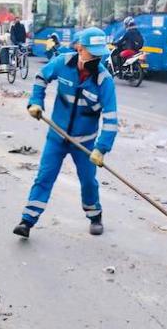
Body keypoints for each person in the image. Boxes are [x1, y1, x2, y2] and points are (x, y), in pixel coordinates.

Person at [13, 27, 118, 238]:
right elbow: (40, 78)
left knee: (88, 181)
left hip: (85, 144)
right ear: (80, 48)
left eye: (100, 55)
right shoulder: (63, 62)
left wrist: (101, 148)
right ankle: (27, 220)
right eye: (92, 53)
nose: (96, 58)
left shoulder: (104, 80)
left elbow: (111, 119)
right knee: (44, 177)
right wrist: (35, 103)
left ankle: (95, 215)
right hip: (57, 137)